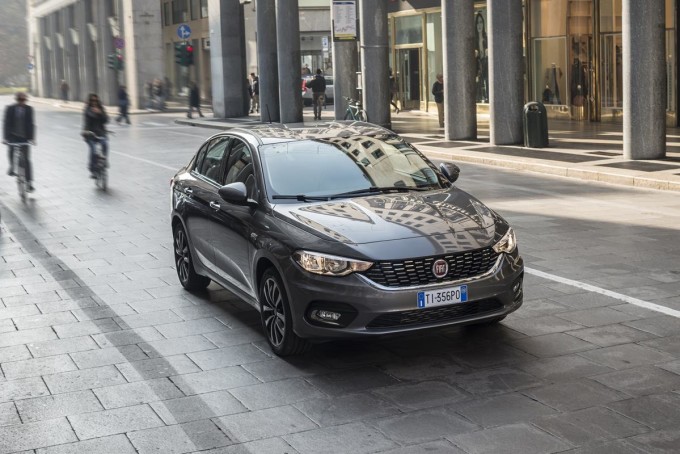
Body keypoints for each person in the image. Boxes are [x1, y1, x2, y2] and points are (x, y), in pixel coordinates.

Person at [3, 92, 35, 191]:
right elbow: (6, 123)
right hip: (13, 136)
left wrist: (32, 139)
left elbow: (31, 124)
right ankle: (12, 167)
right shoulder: (10, 108)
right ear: (16, 100)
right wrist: (5, 138)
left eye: (24, 100)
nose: (22, 102)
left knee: (27, 160)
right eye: (20, 100)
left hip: (25, 137)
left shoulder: (29, 109)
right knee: (11, 149)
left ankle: (29, 183)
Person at [82, 93, 109, 178]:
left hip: (101, 132)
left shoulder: (101, 109)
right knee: (93, 150)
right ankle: (93, 169)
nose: (94, 102)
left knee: (105, 144)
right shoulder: (87, 110)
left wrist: (100, 113)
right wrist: (85, 131)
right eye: (92, 100)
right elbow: (86, 122)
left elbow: (106, 120)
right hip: (91, 134)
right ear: (90, 101)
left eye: (96, 100)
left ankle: (105, 160)